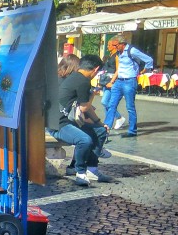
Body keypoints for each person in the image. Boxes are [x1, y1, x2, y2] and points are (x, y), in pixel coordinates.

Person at [47, 54, 111, 186]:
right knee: (84, 140)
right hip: (57, 123)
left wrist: (100, 124)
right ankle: (80, 172)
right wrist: (92, 95)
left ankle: (92, 169)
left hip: (65, 119)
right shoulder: (83, 81)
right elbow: (84, 108)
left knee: (100, 131)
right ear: (96, 69)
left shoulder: (77, 77)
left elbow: (86, 109)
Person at [103, 35, 152, 138]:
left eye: (116, 45)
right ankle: (106, 129)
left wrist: (145, 70)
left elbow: (149, 60)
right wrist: (113, 81)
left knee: (130, 107)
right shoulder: (118, 53)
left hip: (129, 81)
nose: (115, 47)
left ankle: (132, 131)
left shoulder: (132, 51)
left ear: (122, 44)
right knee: (111, 105)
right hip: (118, 81)